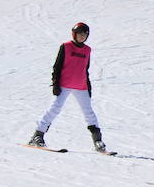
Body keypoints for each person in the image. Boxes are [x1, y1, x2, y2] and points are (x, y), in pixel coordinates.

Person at [29, 22, 108, 153]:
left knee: (89, 114)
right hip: (64, 85)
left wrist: (88, 87)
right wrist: (55, 84)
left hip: (81, 86)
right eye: (79, 34)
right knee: (54, 109)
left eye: (85, 34)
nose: (82, 37)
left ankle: (98, 141)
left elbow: (85, 69)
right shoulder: (65, 47)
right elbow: (57, 66)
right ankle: (38, 135)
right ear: (74, 34)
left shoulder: (87, 50)